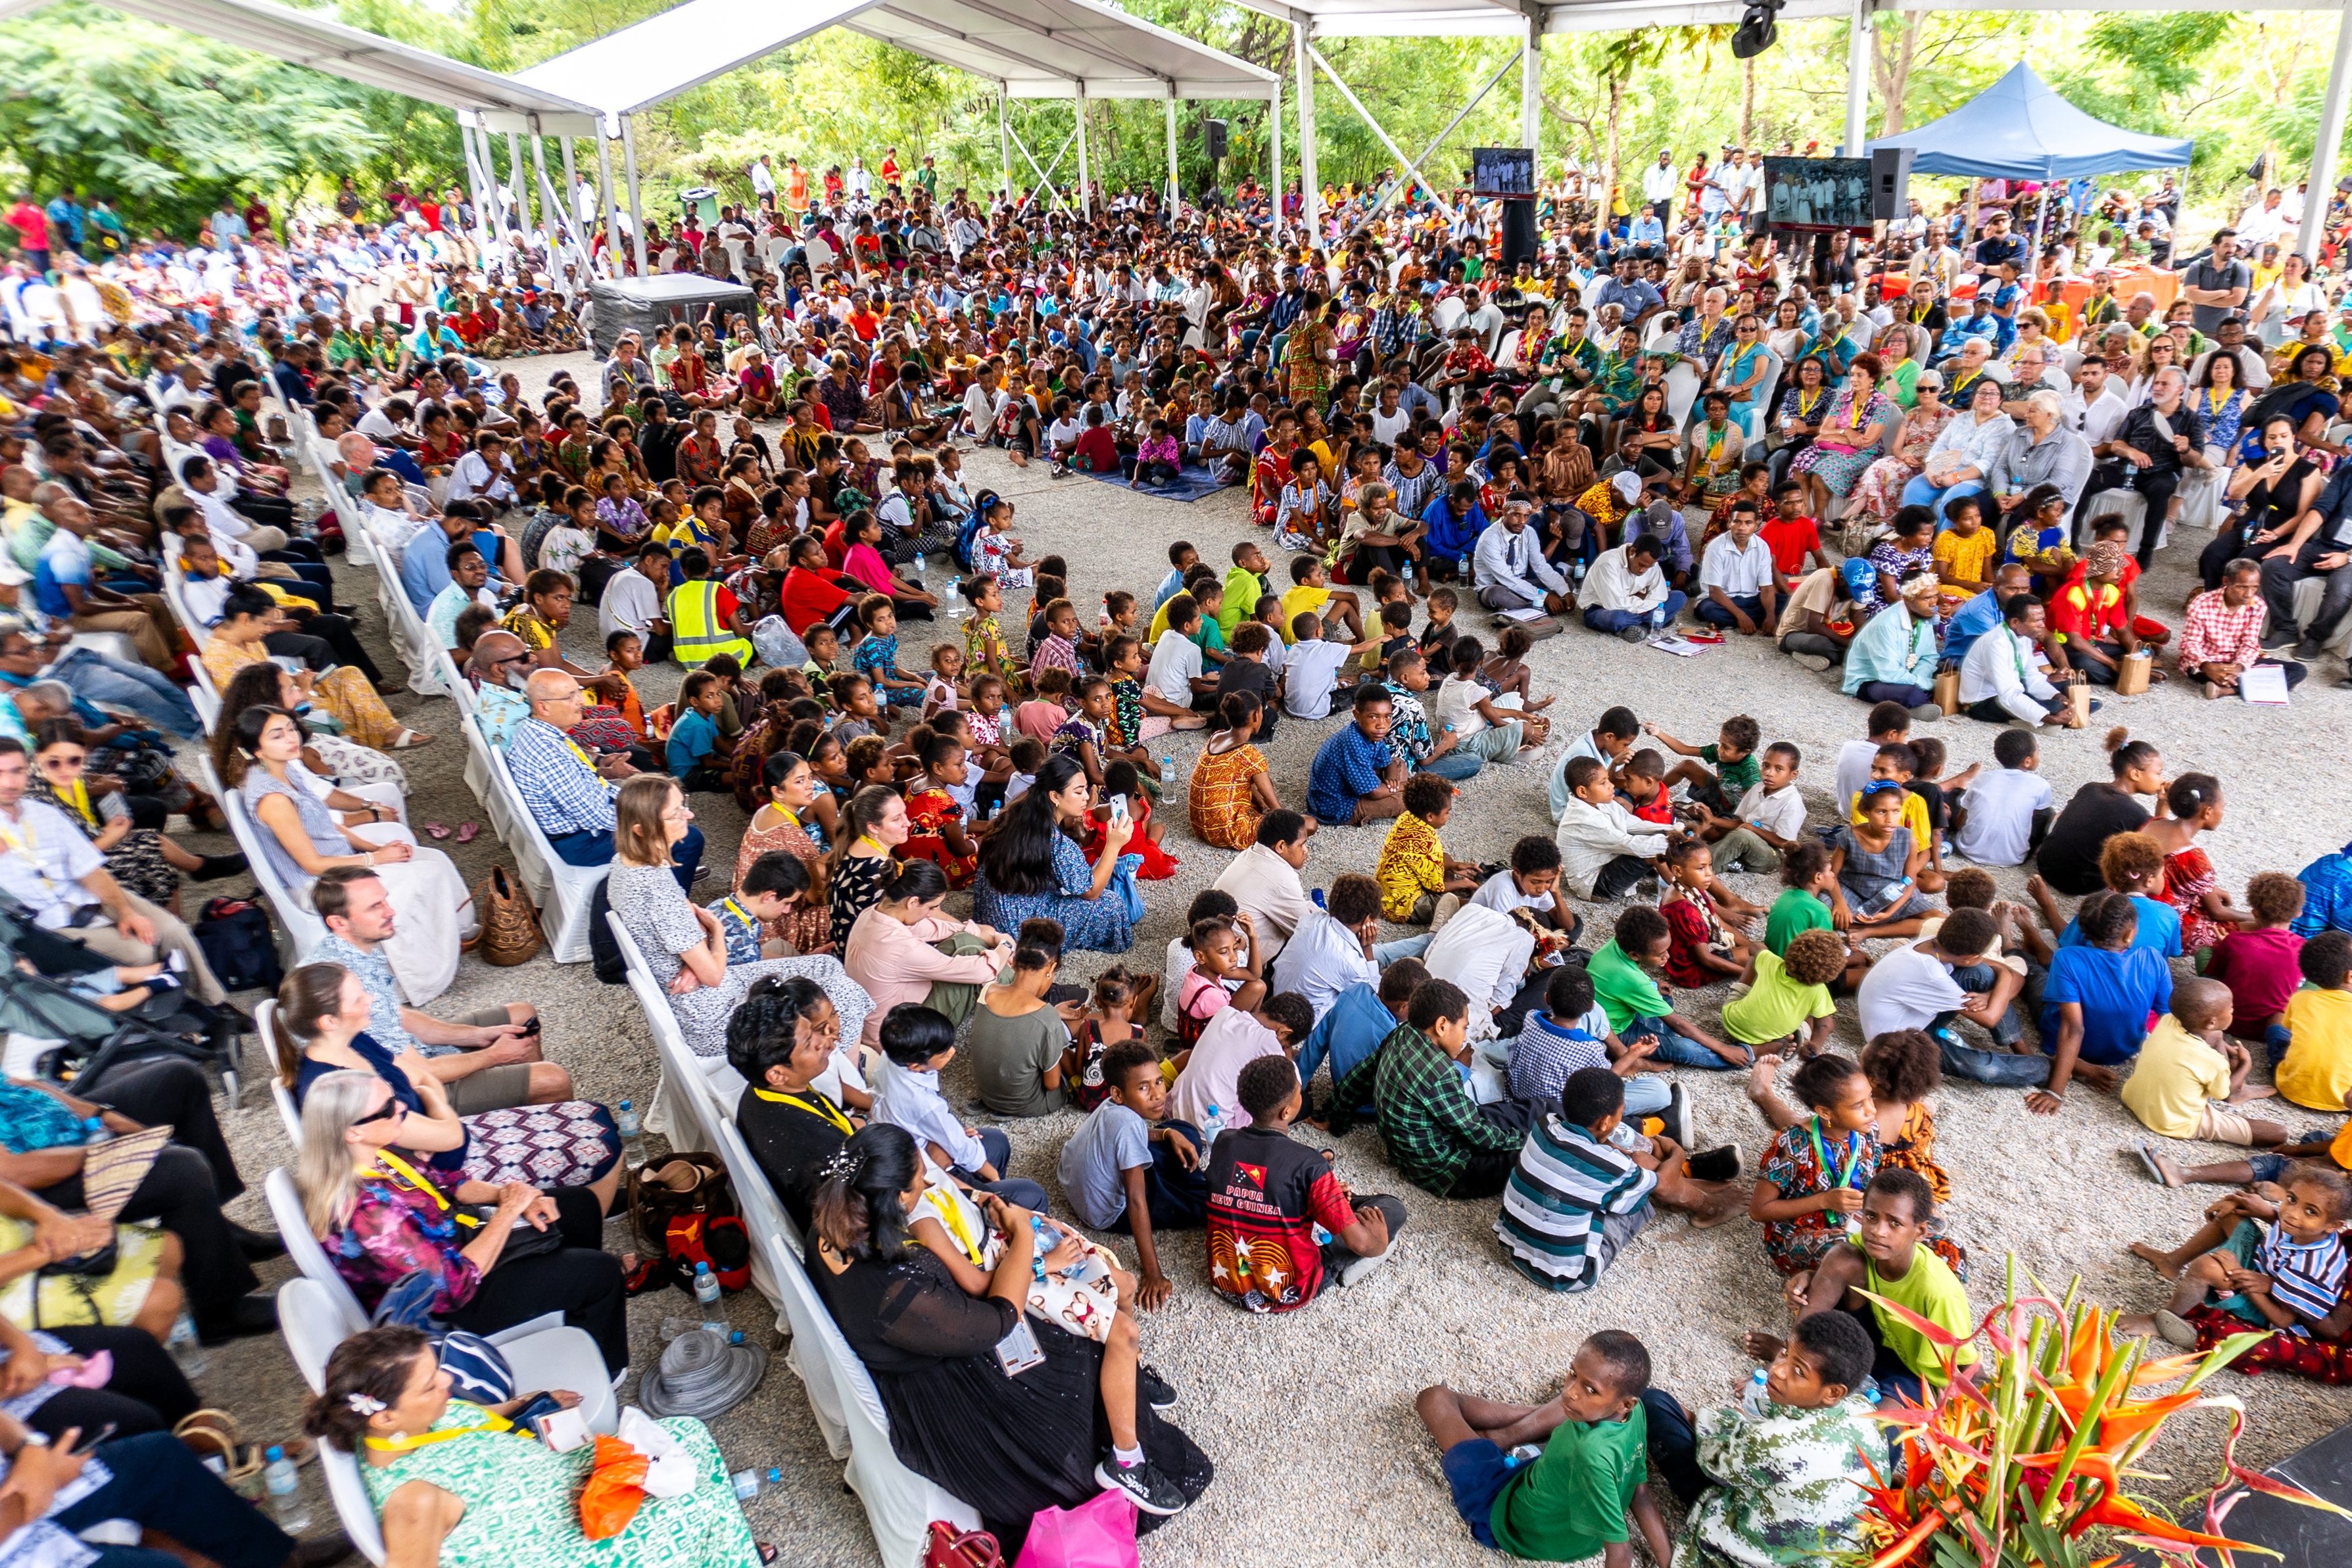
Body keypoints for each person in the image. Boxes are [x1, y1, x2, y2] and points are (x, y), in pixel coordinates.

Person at [807, 1123, 1212, 1543]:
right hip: (956, 1391)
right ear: (894, 1200)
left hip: (943, 1337)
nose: (926, 1181)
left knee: (1105, 1328)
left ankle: (1126, 1406)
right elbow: (1000, 1319)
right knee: (1089, 1360)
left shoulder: (833, 1226)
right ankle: (1125, 1464)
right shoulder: (896, 1291)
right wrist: (1023, 1236)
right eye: (916, 1183)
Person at [306, 1325, 765, 1568]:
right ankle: (727, 1547)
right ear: (384, 1415)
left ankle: (722, 1548)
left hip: (577, 1489)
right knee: (698, 1504)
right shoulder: (412, 1501)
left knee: (686, 1432)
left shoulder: (411, 1425)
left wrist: (524, 1403)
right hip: (574, 1547)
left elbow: (471, 1426)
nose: (447, 1381)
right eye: (429, 1384)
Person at [299, 1070, 627, 1373]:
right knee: (601, 1273)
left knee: (578, 1205)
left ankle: (571, 1307)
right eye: (386, 1108)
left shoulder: (376, 1152)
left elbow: (449, 1184)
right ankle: (607, 1369)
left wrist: (509, 1195)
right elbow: (453, 1289)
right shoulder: (368, 1213)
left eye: (393, 1098)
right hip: (445, 1313)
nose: (401, 1108)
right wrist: (509, 1211)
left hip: (453, 1246)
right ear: (352, 1131)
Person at [607, 773, 869, 1079]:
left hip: (696, 991)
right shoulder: (657, 888)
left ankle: (839, 1059)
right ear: (642, 829)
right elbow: (714, 975)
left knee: (825, 964)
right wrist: (716, 933)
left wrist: (693, 957)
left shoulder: (623, 864)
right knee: (845, 992)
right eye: (677, 812)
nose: (689, 814)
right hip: (709, 1016)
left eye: (684, 805)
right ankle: (847, 1080)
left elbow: (671, 936)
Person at [222, 704, 473, 1003]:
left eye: (291, 729)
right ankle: (417, 979)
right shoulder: (274, 798)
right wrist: (376, 859)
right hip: (318, 883)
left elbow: (324, 827)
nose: (291, 738)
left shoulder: (285, 771)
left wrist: (376, 848)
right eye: (277, 735)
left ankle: (456, 934)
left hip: (335, 864)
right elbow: (312, 864)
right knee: (421, 876)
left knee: (431, 858)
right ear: (257, 750)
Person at [1638, 1311, 1883, 1568]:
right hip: (1826, 1556)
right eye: (1785, 1352)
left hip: (1755, 1552)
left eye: (1799, 1371)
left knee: (1655, 1404)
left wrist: (1719, 1422)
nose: (1777, 1370)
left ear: (1833, 1392)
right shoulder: (1866, 1411)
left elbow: (1713, 1462)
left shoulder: (1775, 1441)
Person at [0, 738, 229, 1007]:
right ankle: (171, 1010)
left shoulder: (43, 814)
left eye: (16, 771)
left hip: (83, 897)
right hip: (41, 927)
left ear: (28, 771)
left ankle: (214, 1004)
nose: (9, 783)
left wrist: (126, 911)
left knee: (172, 930)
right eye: (1, 773)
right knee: (141, 951)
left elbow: (89, 870)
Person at [1414, 1331, 1671, 1563]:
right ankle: (1513, 1433)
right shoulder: (1634, 1415)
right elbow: (1640, 1494)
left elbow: (1621, 1553)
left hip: (1515, 1521)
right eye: (1573, 1373)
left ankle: (1509, 1433)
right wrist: (1668, 1561)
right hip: (1576, 1532)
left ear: (1627, 1404)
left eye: (1591, 1389)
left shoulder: (1591, 1456)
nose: (1570, 1391)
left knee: (1434, 1398)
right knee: (1576, 1409)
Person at [1497, 1065, 1743, 1294]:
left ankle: (1688, 1187)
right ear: (1605, 1122)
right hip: (1565, 1275)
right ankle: (1709, 1207)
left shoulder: (1544, 1125)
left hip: (1512, 1245)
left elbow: (1585, 1156)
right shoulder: (1612, 1168)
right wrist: (1677, 1152)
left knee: (1635, 1171)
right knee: (1649, 1186)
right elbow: (1664, 1188)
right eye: (1620, 1113)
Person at [1742, 1168, 1977, 1405]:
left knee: (1879, 1432)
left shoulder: (1939, 1292)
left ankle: (1805, 1375)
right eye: (1871, 1216)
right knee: (1842, 1257)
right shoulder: (1864, 1250)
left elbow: (1970, 1369)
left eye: (1894, 1223)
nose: (1877, 1231)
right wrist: (1813, 1276)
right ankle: (1790, 1359)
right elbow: (1839, 1270)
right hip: (1866, 1346)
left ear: (1921, 1231)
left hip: (1912, 1374)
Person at [1205, 1055, 1403, 1309]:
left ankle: (1331, 1208)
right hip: (1291, 1288)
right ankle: (1350, 1266)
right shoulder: (1309, 1165)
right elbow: (1361, 1243)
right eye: (1299, 1092)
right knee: (1393, 1208)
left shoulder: (1223, 1142)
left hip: (1229, 1281)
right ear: (1287, 1112)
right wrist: (1378, 1243)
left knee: (1303, 1196)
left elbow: (1260, 1186)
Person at [2121, 1162, 2352, 1364]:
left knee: (2206, 1267)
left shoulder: (2310, 1268)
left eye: (2310, 1212)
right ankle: (2171, 1262)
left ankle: (2162, 1319)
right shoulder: (2305, 1229)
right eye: (2291, 1199)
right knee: (2231, 1215)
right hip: (2266, 1274)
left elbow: (2282, 1319)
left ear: (2333, 1226)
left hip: (2271, 1312)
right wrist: (2255, 1209)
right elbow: (2281, 1225)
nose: (2292, 1214)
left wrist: (2239, 1273)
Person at [509, 670, 703, 890]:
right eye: (570, 696)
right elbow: (593, 816)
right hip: (583, 843)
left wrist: (602, 767)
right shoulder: (547, 754)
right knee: (688, 837)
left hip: (582, 827)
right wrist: (651, 820)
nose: (580, 701)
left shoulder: (536, 731)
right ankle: (669, 905)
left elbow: (579, 789)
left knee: (660, 802)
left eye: (578, 692)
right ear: (543, 707)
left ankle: (668, 866)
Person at [973, 753, 1137, 953]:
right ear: (1054, 796)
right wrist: (1114, 845)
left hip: (990, 916)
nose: (1087, 796)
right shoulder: (1055, 842)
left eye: (1085, 789)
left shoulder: (1017, 812)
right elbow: (1092, 892)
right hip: (1021, 932)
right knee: (1111, 905)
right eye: (1078, 792)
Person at [2034, 728, 2165, 897]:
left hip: (2045, 866)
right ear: (2135, 774)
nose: (2162, 780)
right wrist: (2164, 805)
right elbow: (2158, 849)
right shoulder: (2136, 814)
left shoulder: (2091, 788)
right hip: (2080, 886)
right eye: (2158, 773)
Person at [2276, 932, 2352, 1113]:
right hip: (2345, 1100)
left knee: (2275, 1034)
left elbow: (2289, 1030)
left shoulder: (2300, 998)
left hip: (2291, 1088)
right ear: (2350, 976)